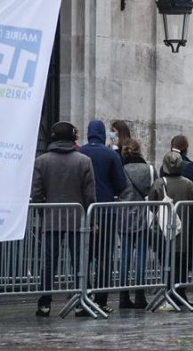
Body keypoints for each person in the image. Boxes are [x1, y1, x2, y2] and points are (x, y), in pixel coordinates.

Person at [31, 121, 96, 317]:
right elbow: (90, 195)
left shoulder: (41, 161)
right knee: (79, 262)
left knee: (49, 262)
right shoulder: (84, 161)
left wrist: (44, 212)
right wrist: (92, 220)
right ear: (73, 138)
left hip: (52, 218)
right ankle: (80, 301)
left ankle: (44, 302)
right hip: (78, 218)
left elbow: (36, 193)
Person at [79, 120, 128, 312]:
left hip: (83, 212)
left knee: (84, 256)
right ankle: (101, 299)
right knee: (104, 257)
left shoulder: (80, 153)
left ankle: (85, 293)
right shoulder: (110, 154)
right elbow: (121, 184)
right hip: (107, 211)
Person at [148, 150, 193, 309]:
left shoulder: (158, 183)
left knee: (167, 264)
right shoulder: (188, 183)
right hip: (185, 232)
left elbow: (151, 205)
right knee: (182, 265)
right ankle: (179, 293)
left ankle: (171, 295)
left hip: (164, 233)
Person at [117, 138, 156, 309]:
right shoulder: (149, 169)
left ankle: (123, 295)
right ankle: (140, 294)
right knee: (141, 255)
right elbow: (156, 190)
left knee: (124, 255)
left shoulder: (120, 169)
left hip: (123, 215)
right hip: (143, 215)